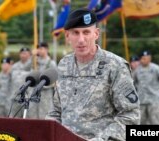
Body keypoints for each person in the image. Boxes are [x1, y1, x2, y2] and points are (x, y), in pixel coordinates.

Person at [46, 8, 140, 141]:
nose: (81, 39)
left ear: (96, 34)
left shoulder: (115, 65)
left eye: (86, 32)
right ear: (67, 36)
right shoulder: (64, 65)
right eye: (75, 33)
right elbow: (56, 111)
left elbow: (130, 116)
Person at [134, 50, 159, 125]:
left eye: (146, 58)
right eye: (142, 58)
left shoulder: (156, 68)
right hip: (141, 101)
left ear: (150, 59)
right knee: (139, 122)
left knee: (156, 122)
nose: (143, 60)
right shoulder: (137, 70)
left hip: (154, 101)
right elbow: (133, 82)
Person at [28, 42, 57, 119]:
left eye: (41, 49)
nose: (39, 51)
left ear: (46, 49)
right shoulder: (35, 62)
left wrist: (43, 85)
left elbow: (55, 80)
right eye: (38, 49)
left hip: (45, 94)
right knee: (32, 115)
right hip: (34, 92)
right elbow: (28, 70)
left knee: (44, 116)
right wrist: (32, 56)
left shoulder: (51, 63)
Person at [9, 47, 32, 118]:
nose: (23, 55)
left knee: (27, 120)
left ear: (29, 55)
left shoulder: (32, 65)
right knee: (14, 121)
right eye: (22, 53)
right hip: (16, 98)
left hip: (27, 99)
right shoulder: (15, 66)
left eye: (25, 53)